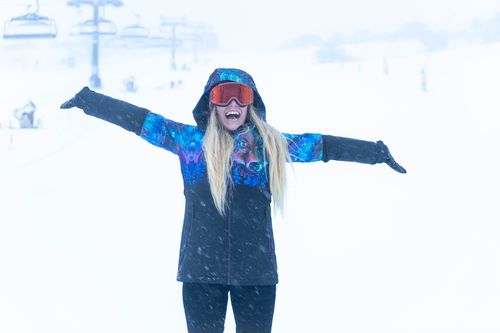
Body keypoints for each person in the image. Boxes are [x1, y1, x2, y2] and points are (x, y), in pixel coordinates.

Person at [60, 68, 406, 333]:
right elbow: (141, 121)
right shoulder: (189, 142)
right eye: (223, 95)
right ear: (211, 101)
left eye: (241, 96)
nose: (233, 104)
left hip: (256, 274)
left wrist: (375, 152)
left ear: (251, 102)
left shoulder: (271, 145)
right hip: (200, 273)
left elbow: (324, 146)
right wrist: (89, 101)